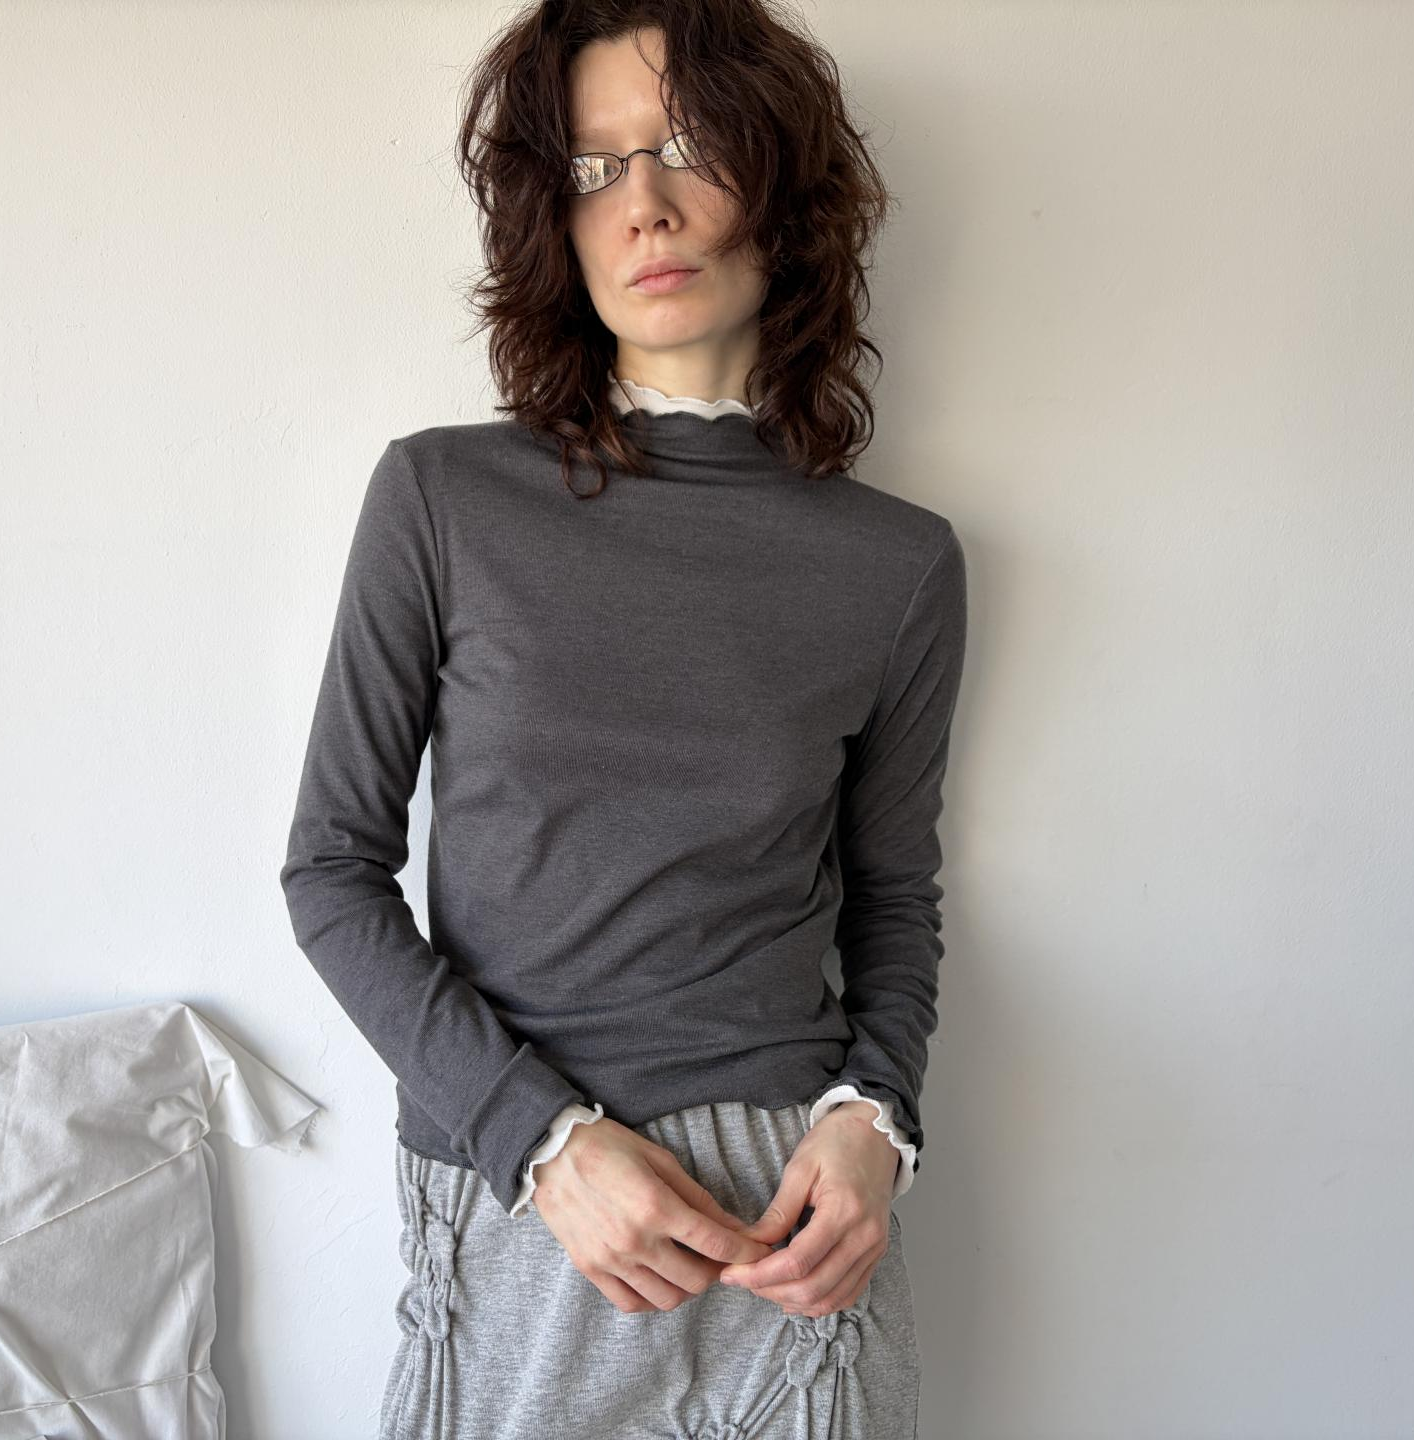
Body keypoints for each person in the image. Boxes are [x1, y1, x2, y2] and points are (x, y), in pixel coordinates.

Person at [279, 2, 966, 1434]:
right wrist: (541, 1141)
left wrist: (878, 1121)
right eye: (594, 169)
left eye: (690, 146)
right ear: (555, 221)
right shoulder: (442, 501)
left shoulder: (897, 566)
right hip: (525, 1200)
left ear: (782, 190)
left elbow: (893, 896)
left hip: (796, 1231)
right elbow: (331, 874)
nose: (643, 203)